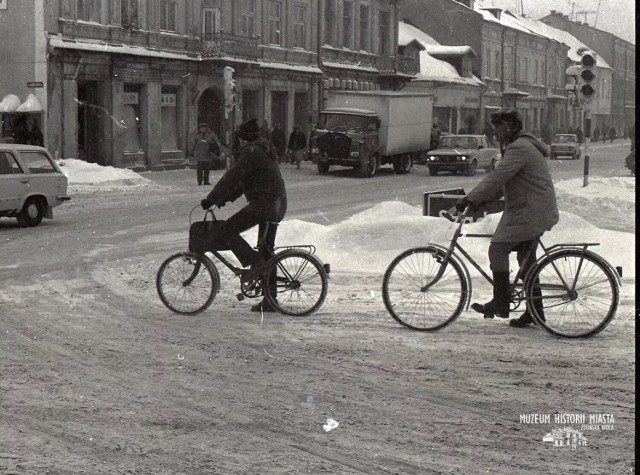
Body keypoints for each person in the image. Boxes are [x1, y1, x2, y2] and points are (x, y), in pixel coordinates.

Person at [455, 109, 559, 328]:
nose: (496, 134)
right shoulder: (522, 146)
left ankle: (501, 302)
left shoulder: (519, 148)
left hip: (530, 210)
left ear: (509, 128)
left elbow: (497, 177)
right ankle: (535, 311)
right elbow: (504, 184)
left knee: (498, 249)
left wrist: (469, 199)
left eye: (498, 129)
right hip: (534, 208)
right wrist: (481, 201)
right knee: (526, 260)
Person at [200, 118, 287, 313]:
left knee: (226, 230)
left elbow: (232, 177)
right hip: (275, 203)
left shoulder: (251, 152)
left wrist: (211, 198)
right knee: (266, 253)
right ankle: (270, 299)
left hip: (265, 204)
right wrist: (220, 200)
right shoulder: (261, 150)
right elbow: (241, 184)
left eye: (239, 138)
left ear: (243, 139)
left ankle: (255, 265)